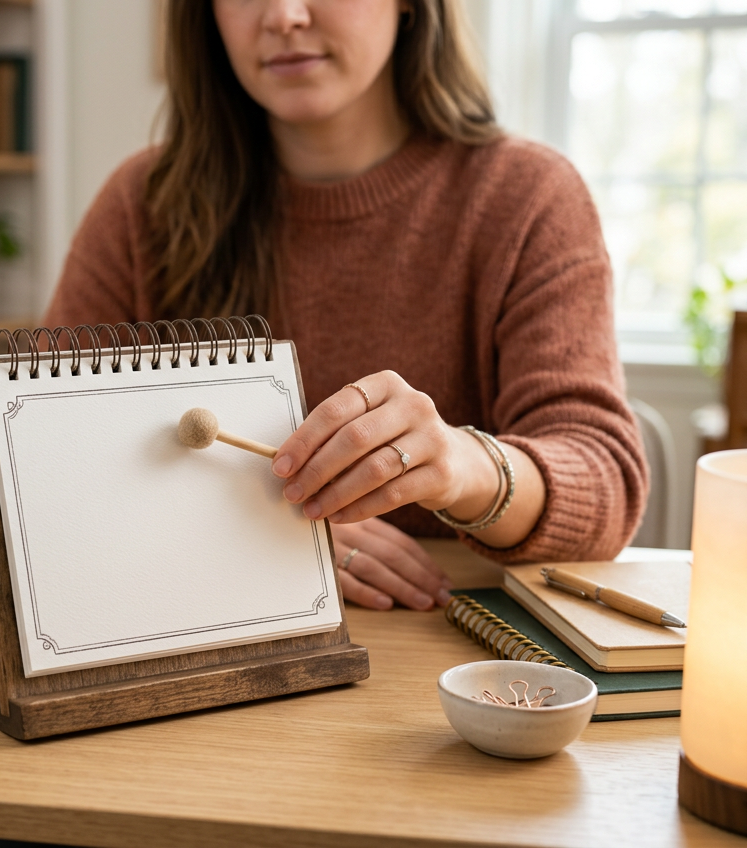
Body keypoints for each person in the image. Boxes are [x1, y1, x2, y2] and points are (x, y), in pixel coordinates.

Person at [41, 0, 649, 614]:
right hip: (195, 633)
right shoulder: (142, 204)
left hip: (439, 655)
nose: (282, 16)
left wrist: (461, 464)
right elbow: (45, 457)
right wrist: (260, 532)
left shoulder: (527, 196)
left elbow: (603, 486)